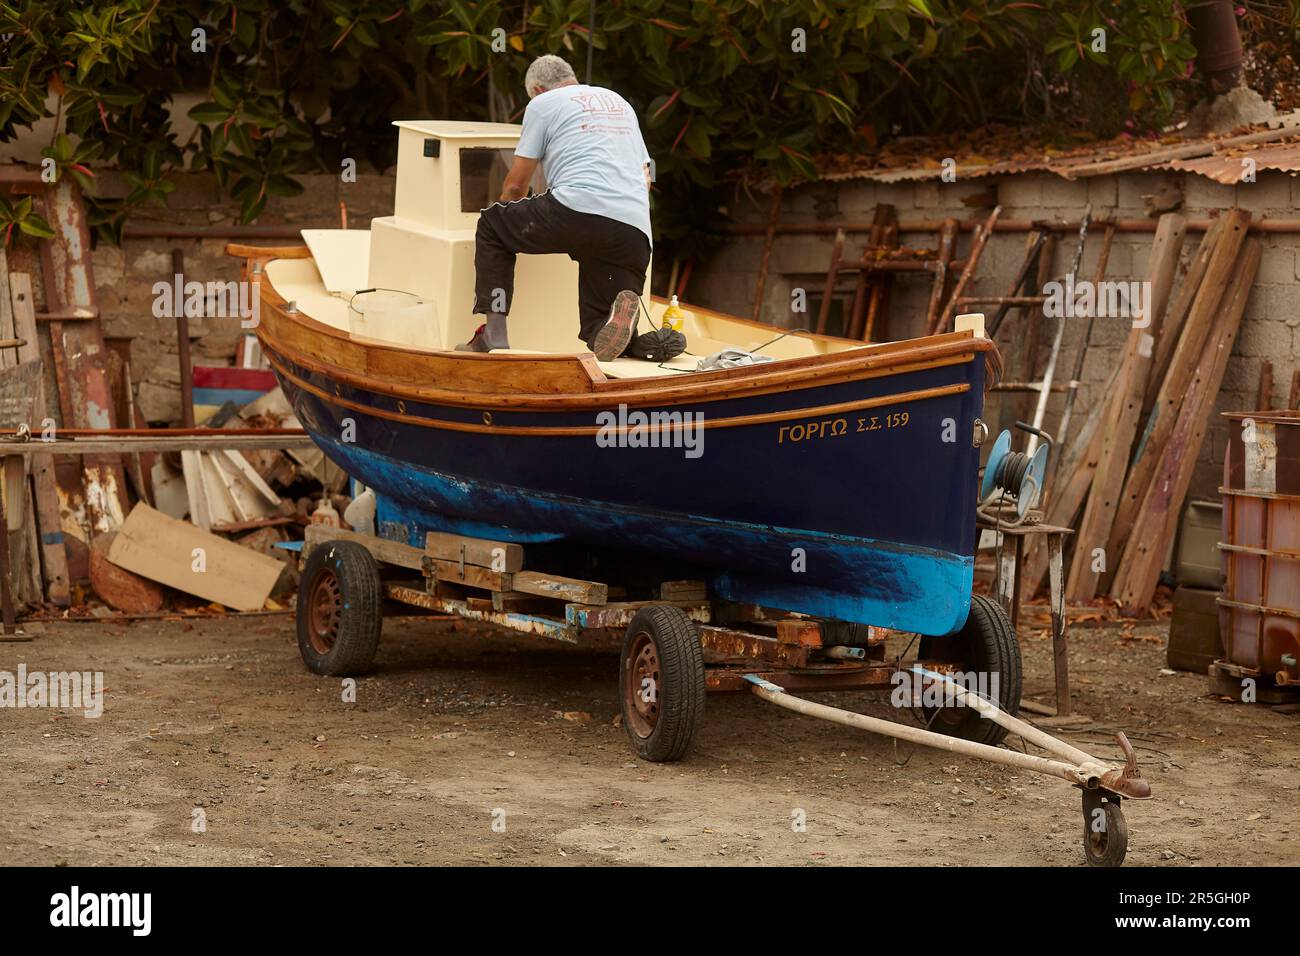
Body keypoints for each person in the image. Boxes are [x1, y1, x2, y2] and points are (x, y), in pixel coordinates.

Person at [459, 55, 653, 360]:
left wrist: (512, 216)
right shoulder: (619, 102)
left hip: (574, 210)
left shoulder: (542, 104)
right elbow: (646, 176)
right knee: (597, 326)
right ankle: (640, 342)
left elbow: (514, 185)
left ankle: (494, 335)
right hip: (633, 230)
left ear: (536, 89)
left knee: (492, 225)